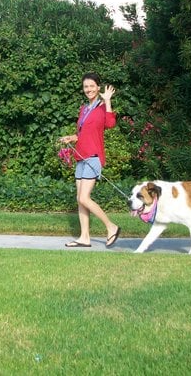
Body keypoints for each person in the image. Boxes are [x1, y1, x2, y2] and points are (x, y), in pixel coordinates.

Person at [59, 72, 121, 248]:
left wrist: (108, 100)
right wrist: (72, 138)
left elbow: (110, 124)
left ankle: (112, 227)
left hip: (93, 158)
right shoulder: (84, 109)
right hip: (80, 156)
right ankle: (84, 237)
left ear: (98, 87)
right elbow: (82, 133)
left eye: (92, 86)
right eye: (86, 87)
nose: (88, 89)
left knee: (85, 198)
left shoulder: (102, 108)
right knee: (80, 199)